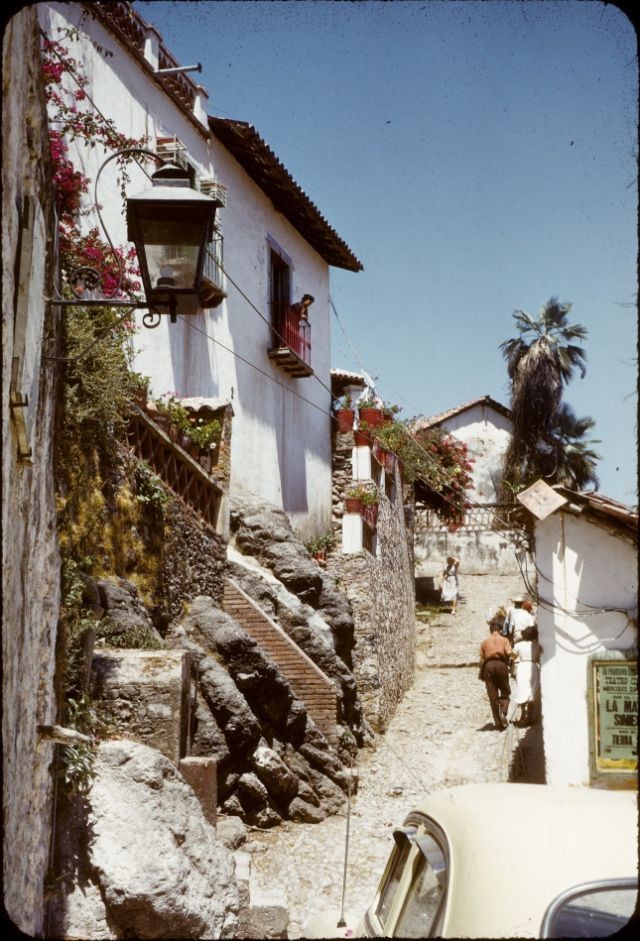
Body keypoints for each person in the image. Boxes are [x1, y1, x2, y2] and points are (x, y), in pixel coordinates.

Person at [479, 617, 513, 729]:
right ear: (500, 630)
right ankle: (503, 712)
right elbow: (509, 653)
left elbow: (482, 659)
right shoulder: (504, 640)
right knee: (505, 690)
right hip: (501, 665)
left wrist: (481, 673)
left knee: (492, 694)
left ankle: (497, 721)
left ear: (491, 630)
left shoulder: (484, 642)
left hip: (488, 667)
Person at [511, 624, 542, 726]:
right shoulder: (538, 645)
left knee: (522, 689)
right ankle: (530, 717)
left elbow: (513, 656)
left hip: (523, 667)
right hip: (534, 667)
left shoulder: (519, 645)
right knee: (532, 691)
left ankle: (523, 715)